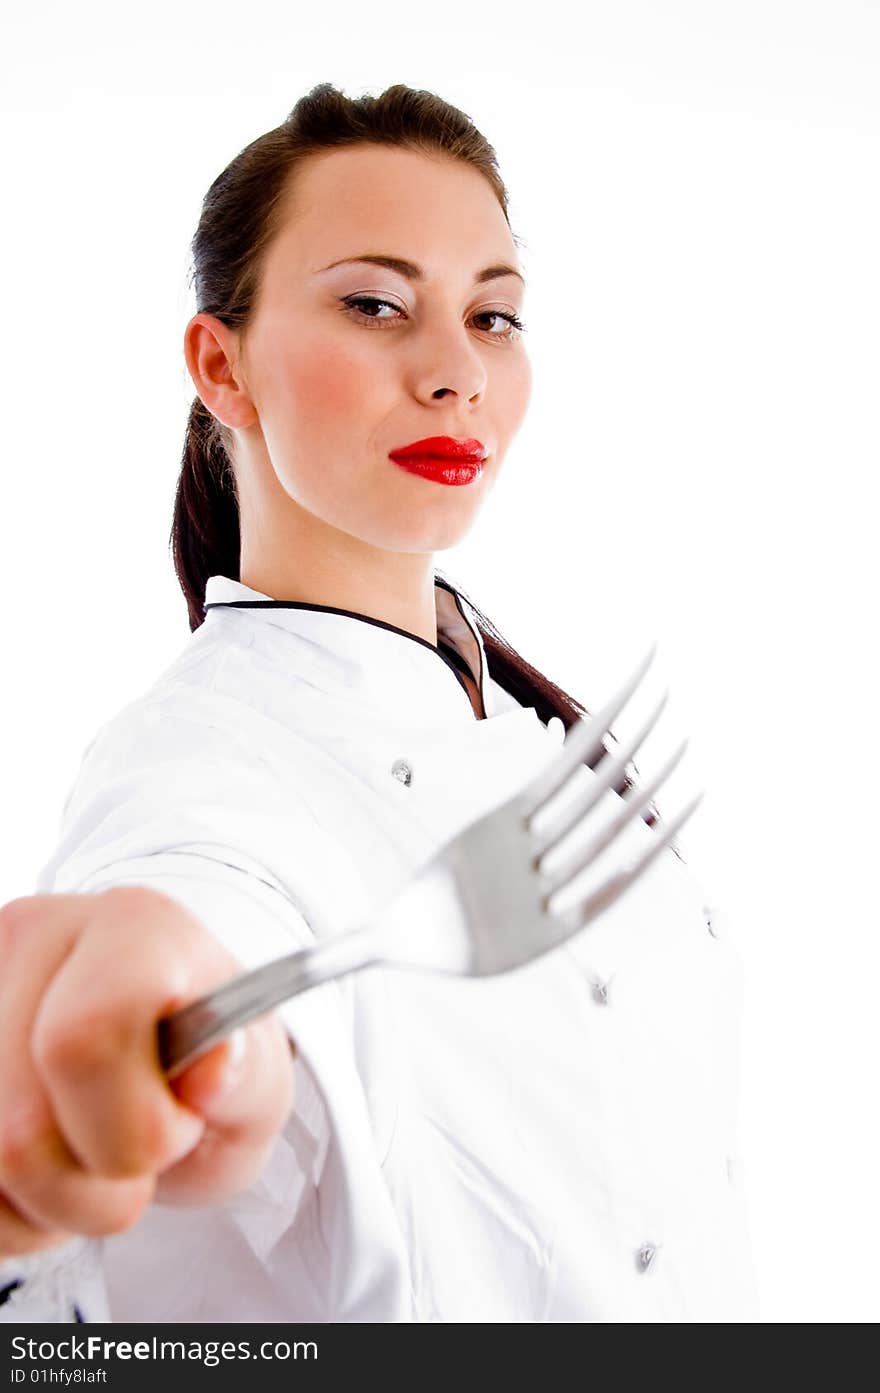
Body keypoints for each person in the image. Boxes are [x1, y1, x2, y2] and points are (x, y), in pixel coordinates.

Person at [0, 82, 760, 1323]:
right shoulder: (194, 765)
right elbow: (194, 906)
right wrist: (157, 1010)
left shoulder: (519, 712)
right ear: (220, 362)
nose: (457, 370)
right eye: (374, 305)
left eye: (494, 315)